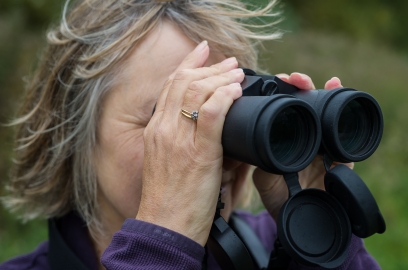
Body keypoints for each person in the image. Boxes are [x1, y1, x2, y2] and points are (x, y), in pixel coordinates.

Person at [0, 0, 381, 269]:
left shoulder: (275, 245)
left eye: (230, 115)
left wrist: (320, 239)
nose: (210, 148)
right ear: (75, 137)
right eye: (169, 114)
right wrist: (160, 243)